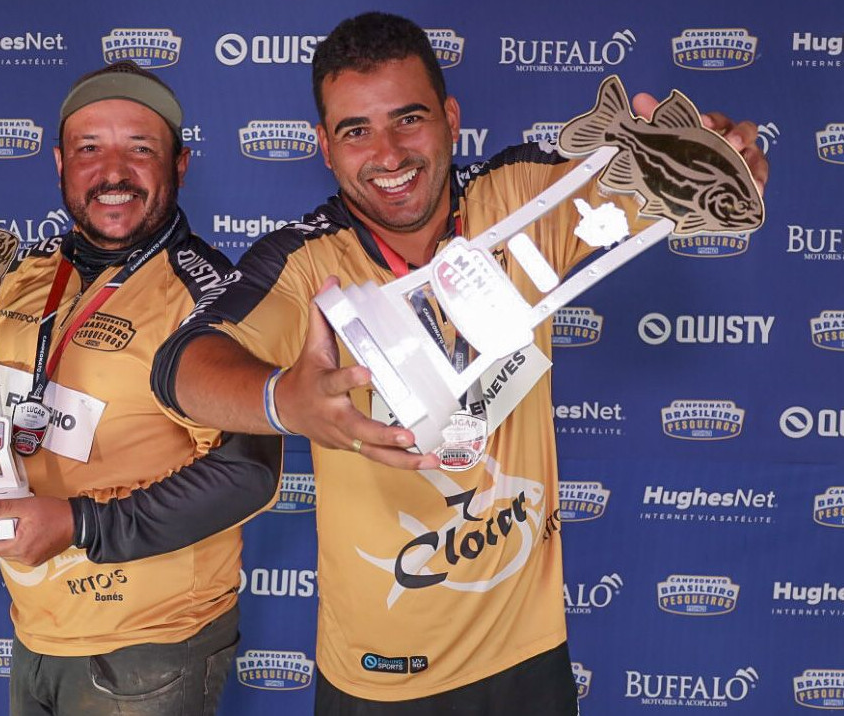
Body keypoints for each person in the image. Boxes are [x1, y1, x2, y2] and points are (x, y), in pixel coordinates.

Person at [150, 12, 768, 715]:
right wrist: (282, 401)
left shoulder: (521, 198)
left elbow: (664, 176)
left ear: (449, 117)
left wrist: (722, 153)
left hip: (529, 653)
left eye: (408, 120)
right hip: (381, 674)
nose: (387, 154)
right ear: (324, 146)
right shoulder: (304, 260)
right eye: (356, 131)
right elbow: (183, 367)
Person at [0, 60, 281, 716]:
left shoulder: (213, 298)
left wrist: (78, 524)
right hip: (36, 627)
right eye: (89, 148)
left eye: (141, 148)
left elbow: (248, 472)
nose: (113, 172)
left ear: (180, 164)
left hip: (148, 649)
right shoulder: (20, 276)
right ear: (59, 162)